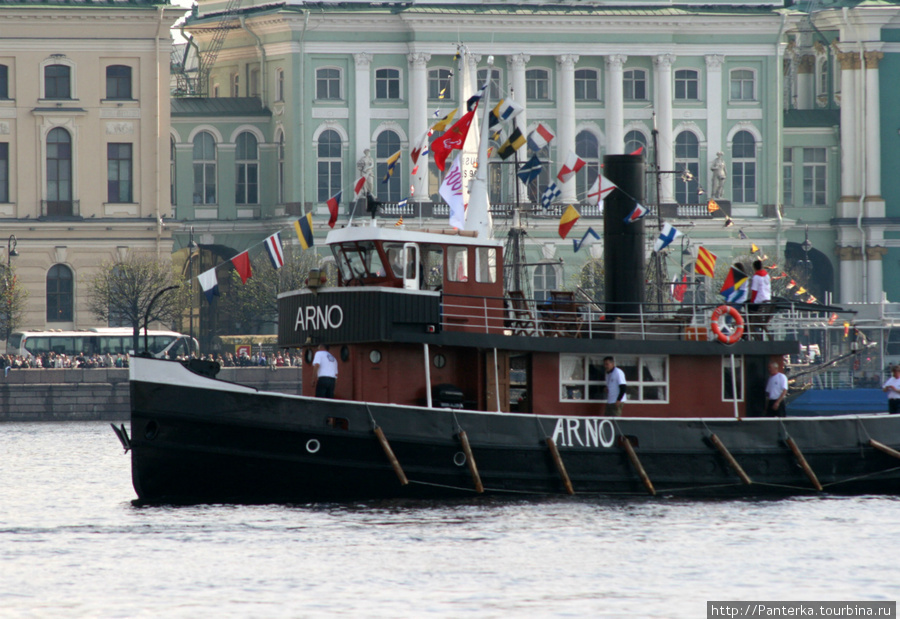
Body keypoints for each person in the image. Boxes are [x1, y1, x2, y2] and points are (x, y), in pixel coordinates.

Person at [748, 259, 771, 339]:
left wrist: (752, 301)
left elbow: (754, 291)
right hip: (767, 300)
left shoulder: (756, 277)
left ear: (754, 267)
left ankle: (751, 329)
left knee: (747, 308)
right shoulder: (767, 275)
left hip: (759, 301)